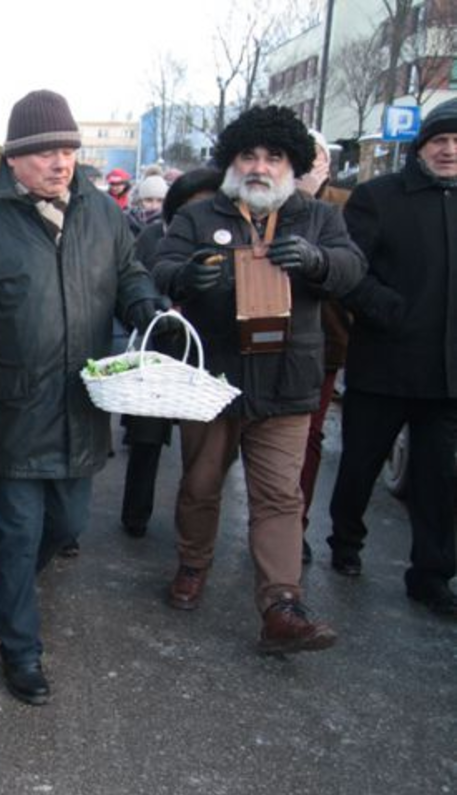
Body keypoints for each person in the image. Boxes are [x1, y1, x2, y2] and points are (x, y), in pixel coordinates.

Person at [0, 90, 167, 704]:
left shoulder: (102, 213)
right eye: (44, 153)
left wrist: (144, 303)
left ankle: (10, 589)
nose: (60, 162)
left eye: (68, 149)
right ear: (13, 158)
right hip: (8, 407)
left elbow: (128, 272)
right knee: (15, 532)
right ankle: (20, 649)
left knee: (66, 524)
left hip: (80, 404)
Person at [152, 105, 367, 652]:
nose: (260, 166)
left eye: (274, 157)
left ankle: (281, 605)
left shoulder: (317, 218)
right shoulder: (201, 216)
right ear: (232, 161)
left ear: (292, 166)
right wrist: (187, 275)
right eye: (249, 155)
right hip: (213, 381)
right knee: (200, 485)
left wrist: (317, 262)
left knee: (278, 497)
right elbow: (161, 267)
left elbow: (352, 268)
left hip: (287, 382)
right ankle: (193, 563)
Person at [326, 100, 457, 617]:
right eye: (439, 140)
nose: (449, 150)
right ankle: (346, 542)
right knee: (360, 463)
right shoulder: (378, 197)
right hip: (385, 363)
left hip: (447, 376)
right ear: (421, 147)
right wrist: (386, 308)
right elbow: (349, 272)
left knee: (439, 478)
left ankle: (431, 574)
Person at [121, 168, 223, 539]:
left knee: (205, 448)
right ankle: (135, 514)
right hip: (160, 346)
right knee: (146, 437)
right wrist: (157, 306)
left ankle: (195, 525)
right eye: (193, 206)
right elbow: (135, 282)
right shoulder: (152, 236)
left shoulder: (229, 237)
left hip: (208, 350)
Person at [293, 129, 350, 565]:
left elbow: (354, 269)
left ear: (326, 162)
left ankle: (295, 526)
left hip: (324, 342)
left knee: (308, 437)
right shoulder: (263, 201)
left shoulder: (343, 206)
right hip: (259, 340)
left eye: (313, 156)